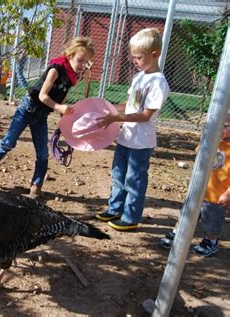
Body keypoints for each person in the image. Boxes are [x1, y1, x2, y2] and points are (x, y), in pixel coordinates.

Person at [0, 36, 95, 198]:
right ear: (70, 56)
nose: (83, 65)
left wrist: (65, 119)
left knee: (42, 153)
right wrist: (58, 107)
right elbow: (43, 96)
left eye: (86, 62)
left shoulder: (71, 78)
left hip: (42, 115)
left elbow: (61, 98)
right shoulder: (55, 70)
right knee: (9, 142)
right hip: (27, 109)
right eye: (81, 60)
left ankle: (36, 186)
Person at [95, 28, 170, 230]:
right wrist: (107, 108)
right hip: (126, 137)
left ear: (154, 54)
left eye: (138, 57)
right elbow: (129, 104)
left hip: (141, 141)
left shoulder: (158, 82)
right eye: (133, 57)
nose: (134, 61)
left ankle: (130, 217)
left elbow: (146, 115)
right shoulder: (139, 77)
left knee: (134, 179)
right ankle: (115, 208)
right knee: (118, 174)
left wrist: (115, 118)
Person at [160, 117, 230, 256]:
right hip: (199, 189)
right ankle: (177, 232)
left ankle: (211, 241)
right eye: (219, 125)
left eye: (225, 126)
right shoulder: (214, 141)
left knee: (212, 220)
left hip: (216, 195)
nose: (221, 129)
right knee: (186, 213)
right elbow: (199, 151)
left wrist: (228, 193)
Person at [15, 17, 30, 89]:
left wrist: (21, 55)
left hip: (22, 54)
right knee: (16, 71)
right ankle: (15, 86)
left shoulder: (25, 33)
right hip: (18, 53)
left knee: (19, 73)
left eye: (21, 23)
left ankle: (26, 88)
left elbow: (26, 46)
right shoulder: (21, 32)